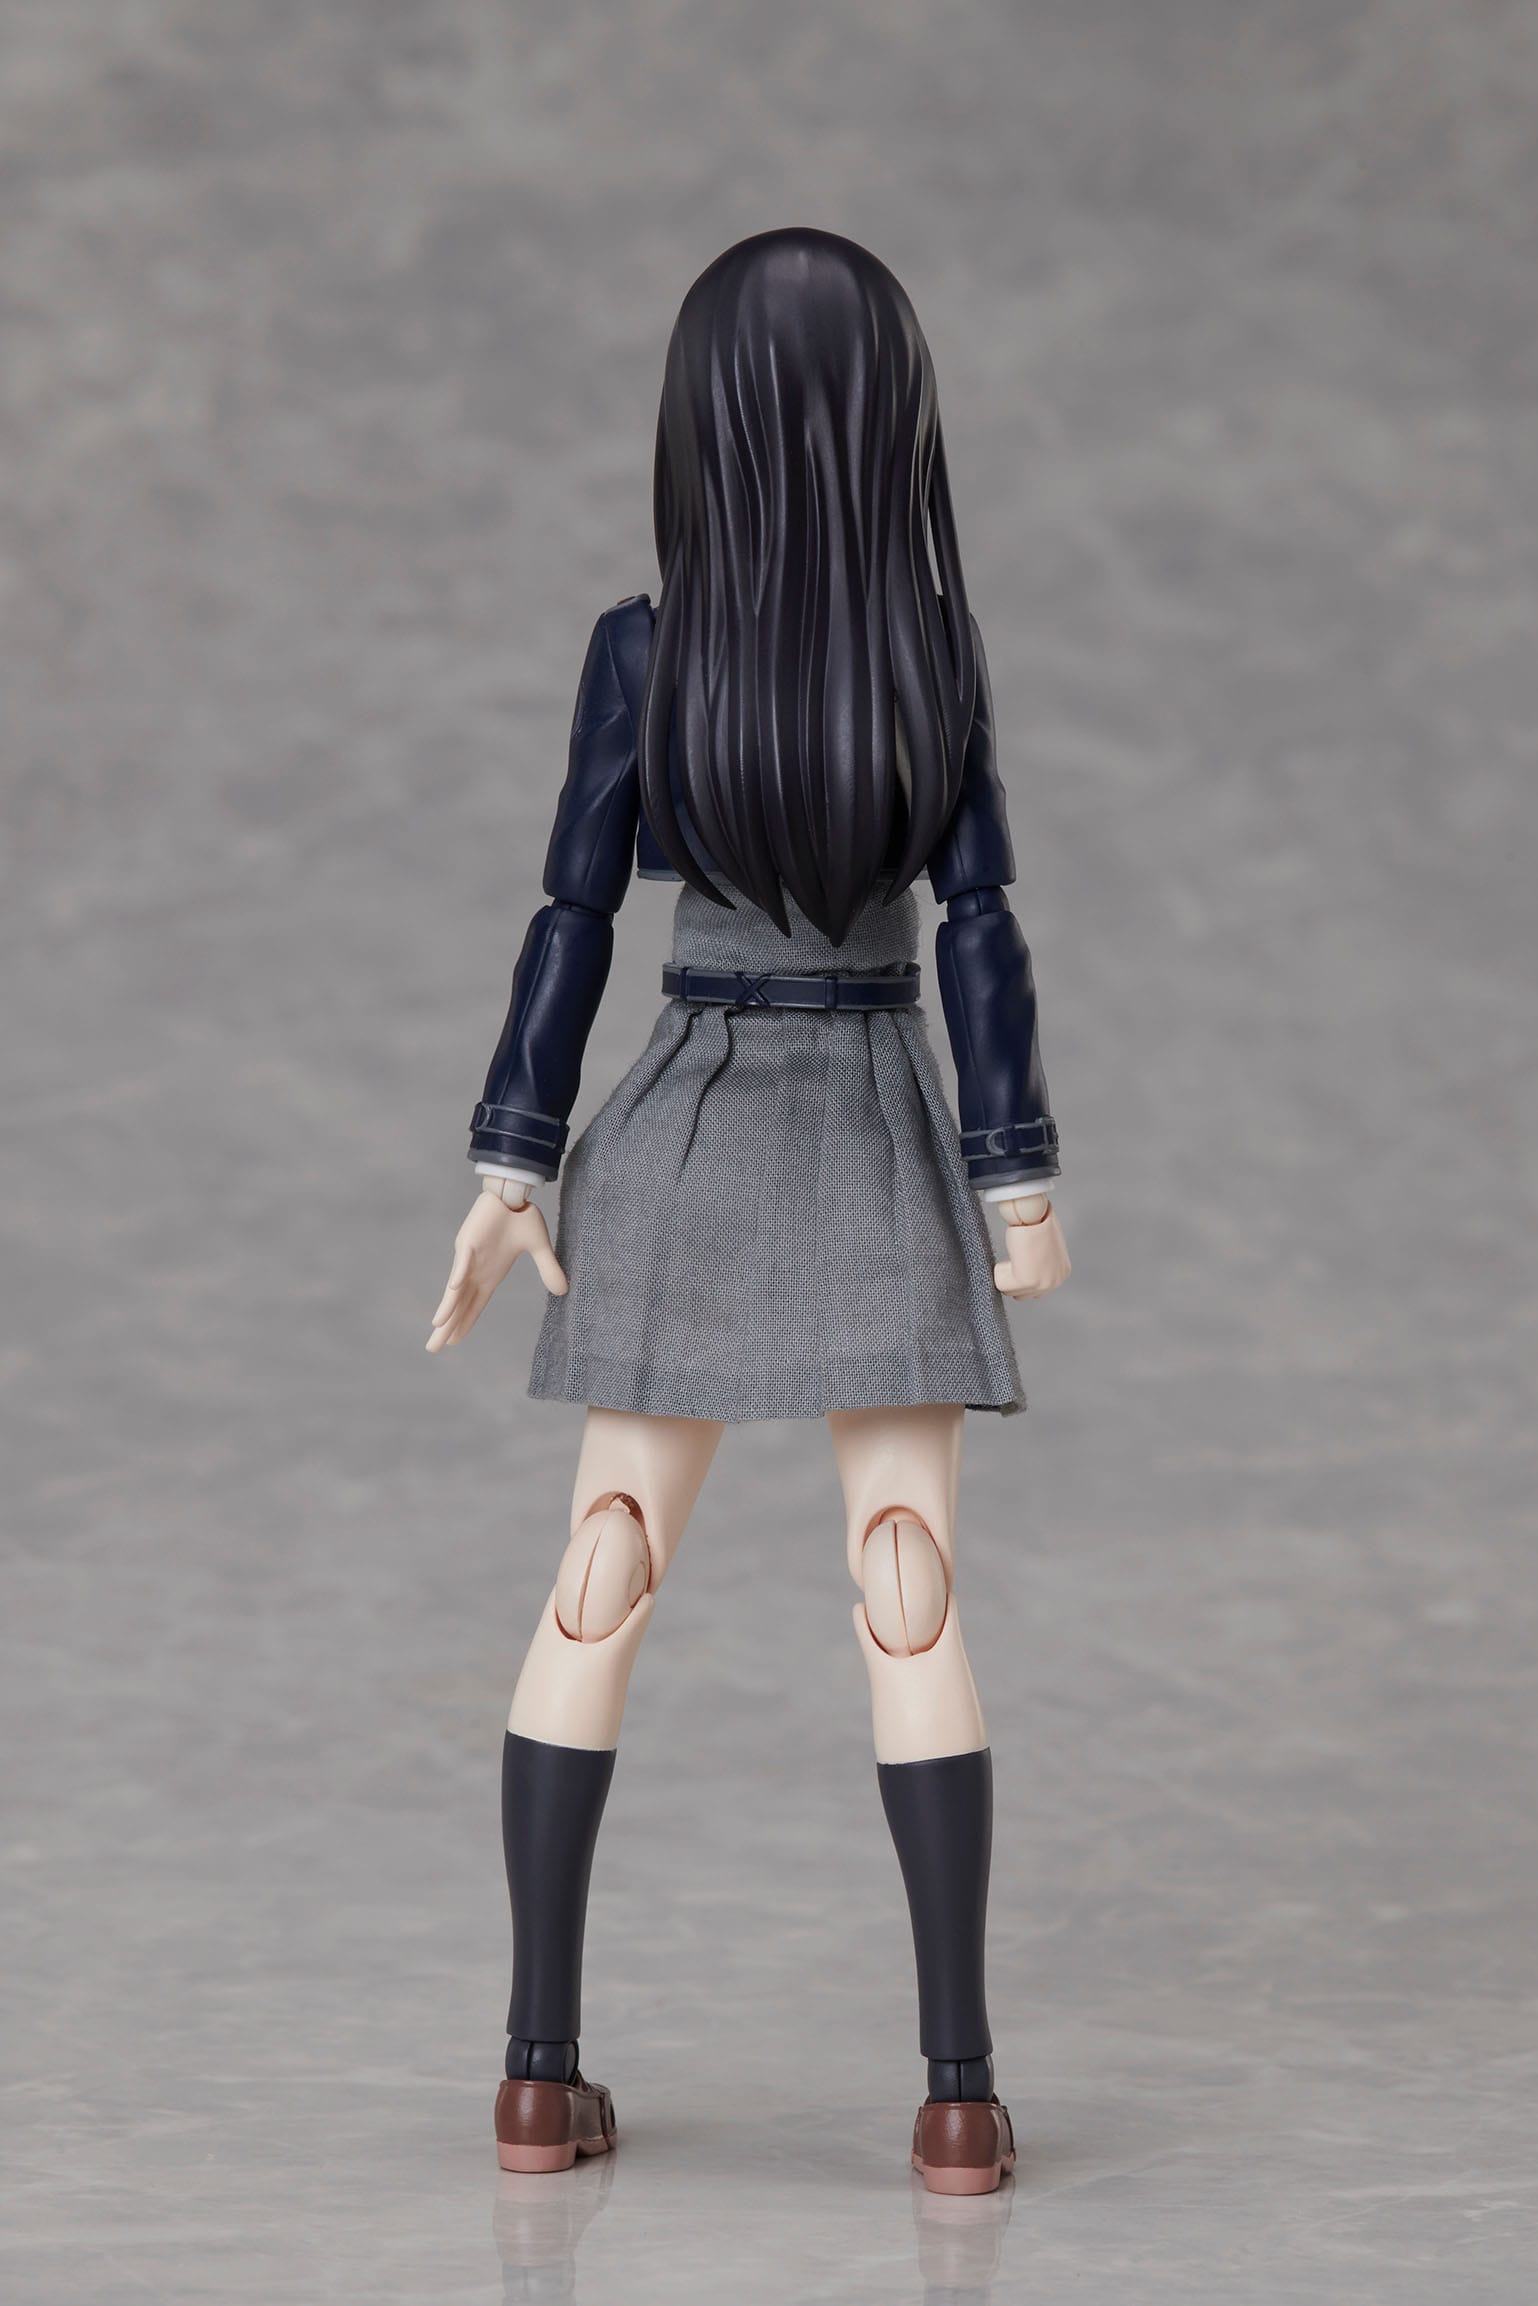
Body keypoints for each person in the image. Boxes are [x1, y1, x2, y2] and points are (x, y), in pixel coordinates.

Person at [427, 228, 1070, 2194]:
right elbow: (979, 925)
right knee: (908, 1583)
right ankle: (955, 2091)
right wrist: (1015, 1172)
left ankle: (535, 2070)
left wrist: (513, 1158)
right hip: (873, 1118)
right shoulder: (931, 654)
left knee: (599, 1569)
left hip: (690, 1116)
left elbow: (569, 915)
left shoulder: (647, 650)